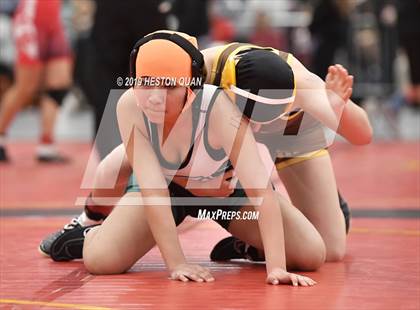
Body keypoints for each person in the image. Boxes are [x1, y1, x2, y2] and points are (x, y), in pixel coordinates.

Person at [40, 40, 371, 265]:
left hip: (288, 131)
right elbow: (130, 151)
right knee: (116, 167)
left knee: (327, 250)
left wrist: (337, 106)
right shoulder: (191, 75)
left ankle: (251, 240)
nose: (254, 128)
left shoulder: (301, 85)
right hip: (196, 159)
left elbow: (363, 134)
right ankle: (89, 223)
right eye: (247, 119)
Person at [0, 0, 73, 162]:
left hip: (53, 19)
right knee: (26, 87)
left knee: (58, 84)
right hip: (31, 18)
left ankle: (46, 145)